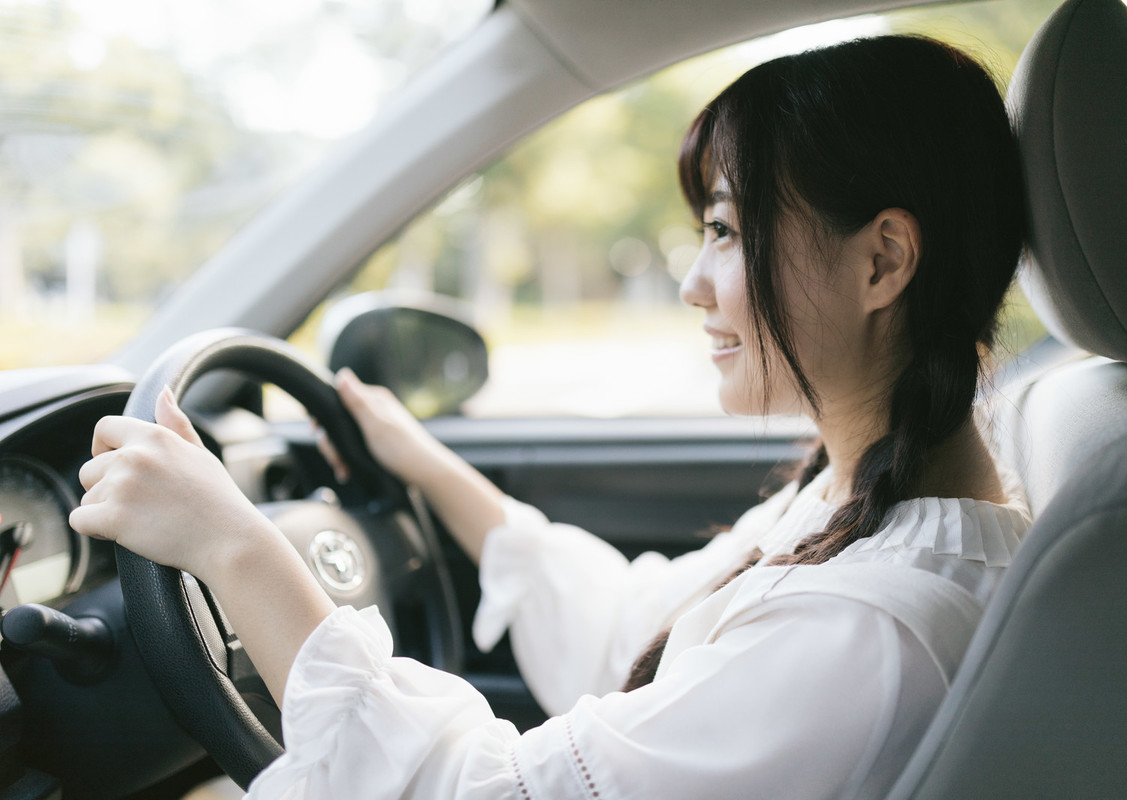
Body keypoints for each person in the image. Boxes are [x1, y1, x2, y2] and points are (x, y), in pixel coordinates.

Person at [71, 34, 1030, 799]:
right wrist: (426, 465)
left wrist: (236, 547)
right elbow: (631, 632)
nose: (695, 284)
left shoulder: (865, 633)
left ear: (883, 261)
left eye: (728, 231)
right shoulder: (867, 502)